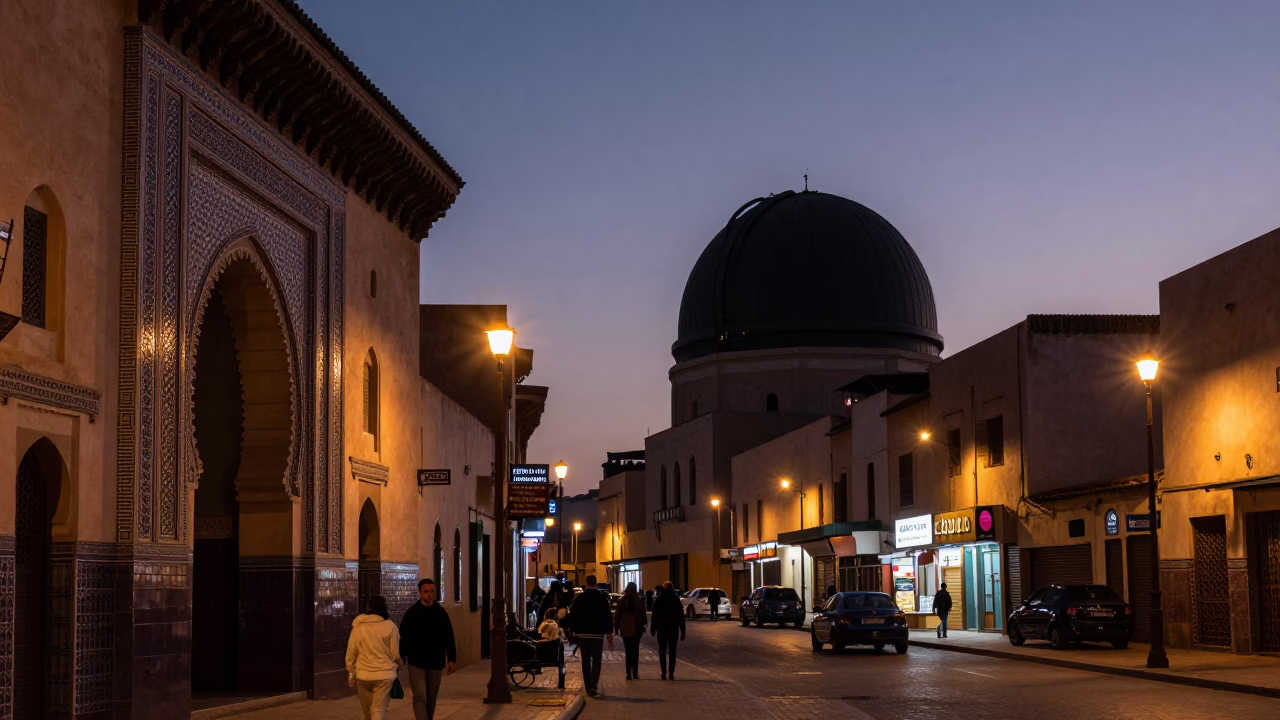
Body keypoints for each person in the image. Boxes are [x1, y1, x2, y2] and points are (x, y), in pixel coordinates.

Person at [399, 579, 457, 720]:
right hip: (416, 662)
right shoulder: (411, 613)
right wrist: (402, 656)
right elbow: (403, 636)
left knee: (431, 698)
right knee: (419, 696)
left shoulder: (441, 614)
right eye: (426, 592)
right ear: (419, 593)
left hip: (436, 662)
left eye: (432, 591)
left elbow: (449, 636)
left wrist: (452, 659)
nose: (429, 595)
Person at [345, 595, 402, 720]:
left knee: (368, 712)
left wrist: (351, 671)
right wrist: (400, 665)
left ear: (369, 608)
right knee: (379, 710)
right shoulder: (391, 626)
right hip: (384, 676)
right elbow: (396, 654)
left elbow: (351, 652)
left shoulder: (359, 627)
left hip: (363, 675)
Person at [564, 574, 613, 697]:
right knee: (597, 660)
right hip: (597, 635)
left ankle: (588, 686)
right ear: (596, 583)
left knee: (585, 661)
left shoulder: (579, 599)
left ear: (586, 583)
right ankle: (594, 684)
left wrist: (573, 630)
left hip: (583, 634)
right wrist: (609, 633)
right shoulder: (602, 598)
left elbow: (573, 615)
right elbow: (608, 616)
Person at [649, 581, 685, 681]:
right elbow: (681, 617)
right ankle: (671, 673)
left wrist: (653, 629)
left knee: (662, 651)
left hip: (662, 629)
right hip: (673, 629)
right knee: (672, 651)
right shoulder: (676, 600)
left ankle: (663, 672)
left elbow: (654, 616)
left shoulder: (658, 599)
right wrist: (683, 631)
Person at [613, 582, 647, 680]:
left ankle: (628, 672)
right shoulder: (639, 600)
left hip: (625, 629)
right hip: (636, 629)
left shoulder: (622, 600)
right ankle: (635, 672)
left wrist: (616, 628)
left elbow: (617, 616)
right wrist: (643, 624)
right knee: (635, 650)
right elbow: (643, 614)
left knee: (627, 651)